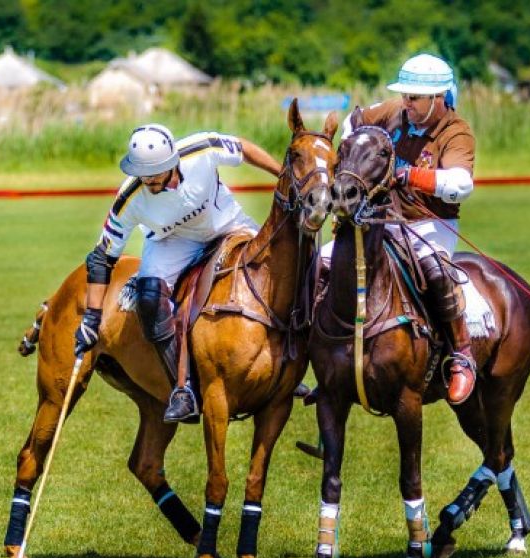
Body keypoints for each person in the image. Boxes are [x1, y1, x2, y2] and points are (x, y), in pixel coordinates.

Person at [74, 124, 282, 422]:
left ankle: (282, 366)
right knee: (148, 298)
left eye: (154, 173)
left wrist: (281, 173)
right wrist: (92, 318)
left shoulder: (202, 150)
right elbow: (101, 258)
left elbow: (243, 147)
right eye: (142, 173)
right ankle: (183, 389)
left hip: (227, 223)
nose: (147, 180)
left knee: (273, 270)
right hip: (172, 242)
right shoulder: (131, 197)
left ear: (171, 163)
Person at [328, 53, 477, 404]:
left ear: (437, 98)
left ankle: (461, 355)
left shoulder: (455, 132)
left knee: (436, 271)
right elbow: (354, 123)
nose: (406, 102)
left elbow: (461, 183)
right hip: (382, 219)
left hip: (429, 224)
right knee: (325, 262)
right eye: (405, 94)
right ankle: (320, 352)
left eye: (414, 97)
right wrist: (352, 159)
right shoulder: (396, 111)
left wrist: (411, 175)